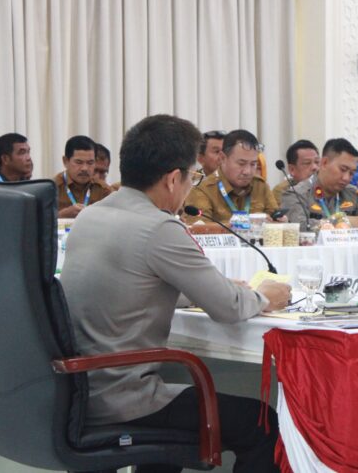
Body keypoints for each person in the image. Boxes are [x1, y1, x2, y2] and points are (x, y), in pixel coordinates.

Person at [60, 115, 289, 472]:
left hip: (78, 390)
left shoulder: (91, 216)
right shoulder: (159, 227)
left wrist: (199, 291)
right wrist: (264, 296)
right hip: (125, 397)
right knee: (263, 424)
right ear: (171, 179)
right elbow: (229, 308)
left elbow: (133, 287)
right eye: (192, 177)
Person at [185, 130, 280, 223]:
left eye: (253, 164)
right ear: (222, 158)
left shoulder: (260, 186)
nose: (247, 171)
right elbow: (199, 228)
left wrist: (280, 222)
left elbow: (275, 218)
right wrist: (245, 222)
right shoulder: (202, 190)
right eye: (241, 163)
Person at [281, 139, 358, 227]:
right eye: (343, 169)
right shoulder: (296, 194)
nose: (346, 178)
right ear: (324, 163)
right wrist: (342, 221)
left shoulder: (353, 193)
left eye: (352, 173)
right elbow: (299, 226)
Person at [55, 135, 113, 218]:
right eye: (79, 162)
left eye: (90, 163)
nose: (84, 168)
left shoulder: (104, 191)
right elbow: (40, 221)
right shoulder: (52, 189)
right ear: (65, 161)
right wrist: (61, 215)